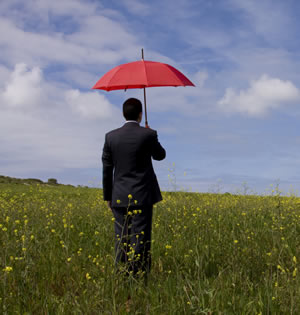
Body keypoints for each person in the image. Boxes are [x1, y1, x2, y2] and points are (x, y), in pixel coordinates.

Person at [102, 97, 166, 278]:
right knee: (141, 237)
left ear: (123, 114)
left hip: (119, 196)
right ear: (141, 115)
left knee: (121, 237)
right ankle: (139, 276)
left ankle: (121, 274)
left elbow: (107, 169)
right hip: (143, 195)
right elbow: (160, 156)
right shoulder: (148, 135)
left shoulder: (110, 137)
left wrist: (108, 196)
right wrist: (150, 134)